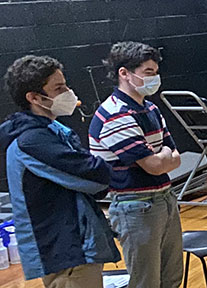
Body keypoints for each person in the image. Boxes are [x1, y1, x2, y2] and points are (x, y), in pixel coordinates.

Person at [1, 55, 118, 287]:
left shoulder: (51, 131)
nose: (68, 92)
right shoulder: (32, 141)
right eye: (59, 88)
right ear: (34, 98)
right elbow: (95, 176)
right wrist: (102, 168)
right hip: (64, 252)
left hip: (75, 246)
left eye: (65, 84)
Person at [88, 41, 184, 288]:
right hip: (136, 207)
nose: (155, 78)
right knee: (146, 282)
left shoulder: (150, 108)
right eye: (148, 73)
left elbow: (176, 156)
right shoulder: (115, 114)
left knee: (172, 278)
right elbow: (154, 165)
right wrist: (163, 157)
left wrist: (163, 158)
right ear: (124, 73)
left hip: (165, 198)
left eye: (156, 72)